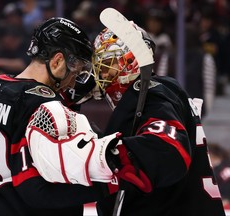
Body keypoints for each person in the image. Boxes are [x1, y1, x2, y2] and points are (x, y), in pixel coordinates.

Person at [0, 17, 115, 216]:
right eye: (74, 71)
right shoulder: (44, 104)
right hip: (21, 207)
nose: (73, 81)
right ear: (57, 61)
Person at [90, 23, 226, 215]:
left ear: (130, 60)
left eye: (107, 63)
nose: (101, 74)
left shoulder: (153, 94)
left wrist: (108, 154)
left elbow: (169, 148)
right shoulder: (159, 93)